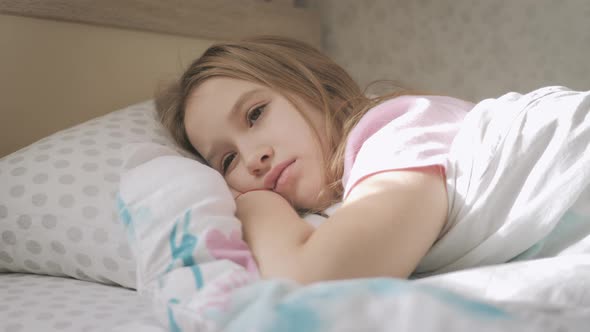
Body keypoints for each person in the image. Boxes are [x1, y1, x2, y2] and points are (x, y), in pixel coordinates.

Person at [153, 35, 477, 285]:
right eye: (228, 160)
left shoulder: (397, 127)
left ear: (317, 87)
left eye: (255, 114)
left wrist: (258, 206)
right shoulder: (339, 201)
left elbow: (315, 282)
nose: (253, 158)